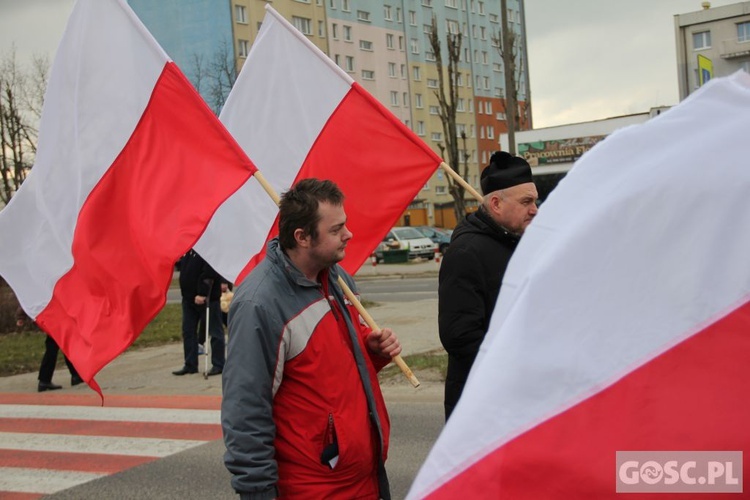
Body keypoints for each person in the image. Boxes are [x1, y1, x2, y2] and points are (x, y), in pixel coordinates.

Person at [222, 178, 401, 500]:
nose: (349, 234)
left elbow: (328, 371)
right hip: (313, 487)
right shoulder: (260, 303)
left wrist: (371, 351)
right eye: (336, 230)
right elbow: (245, 409)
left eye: (345, 225)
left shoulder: (336, 276)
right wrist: (257, 492)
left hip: (363, 478)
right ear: (302, 237)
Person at [438, 151, 538, 420]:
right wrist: (519, 361)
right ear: (495, 203)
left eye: (535, 201)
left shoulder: (517, 241)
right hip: (482, 405)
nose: (534, 210)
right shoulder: (466, 252)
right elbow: (459, 336)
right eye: (526, 201)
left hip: (518, 397)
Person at [172, 249, 225, 376]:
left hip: (207, 298)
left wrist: (202, 292)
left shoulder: (207, 249)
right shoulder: (188, 250)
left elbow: (209, 273)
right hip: (189, 298)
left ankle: (218, 364)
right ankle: (190, 364)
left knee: (214, 331)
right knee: (188, 331)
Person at [16, 306, 82, 392]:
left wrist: (21, 317)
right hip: (54, 316)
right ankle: (46, 380)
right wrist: (21, 316)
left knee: (62, 345)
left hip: (54, 316)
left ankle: (74, 376)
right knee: (56, 347)